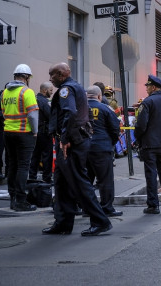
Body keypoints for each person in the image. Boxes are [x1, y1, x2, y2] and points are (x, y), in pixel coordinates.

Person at [44, 62, 112, 236]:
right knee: (61, 183)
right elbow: (86, 113)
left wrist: (66, 138)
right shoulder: (77, 88)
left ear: (61, 74)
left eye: (52, 75)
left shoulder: (67, 89)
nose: (50, 79)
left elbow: (70, 112)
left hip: (71, 143)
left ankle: (100, 220)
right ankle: (63, 223)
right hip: (73, 140)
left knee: (78, 182)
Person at [134, 75, 161, 214]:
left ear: (153, 87)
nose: (146, 89)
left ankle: (153, 205)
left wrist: (137, 138)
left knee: (151, 174)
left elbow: (141, 125)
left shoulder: (147, 102)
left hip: (150, 144)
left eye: (147, 86)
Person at [1, 64, 39, 211]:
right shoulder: (26, 92)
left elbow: (4, 113)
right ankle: (21, 201)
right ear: (27, 77)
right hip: (24, 133)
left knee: (12, 165)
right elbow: (32, 115)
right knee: (24, 166)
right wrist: (35, 131)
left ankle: (13, 198)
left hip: (8, 132)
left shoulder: (5, 92)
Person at [85, 85, 122, 217]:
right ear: (100, 96)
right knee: (105, 180)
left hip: (84, 149)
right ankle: (107, 207)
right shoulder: (105, 109)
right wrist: (110, 143)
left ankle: (87, 208)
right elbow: (115, 128)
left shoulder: (80, 108)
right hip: (102, 148)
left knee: (86, 180)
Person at [29, 81, 54, 183]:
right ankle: (47, 178)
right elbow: (50, 116)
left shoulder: (33, 99)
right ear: (45, 90)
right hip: (44, 132)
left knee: (35, 155)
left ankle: (32, 177)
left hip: (33, 132)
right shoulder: (44, 102)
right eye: (51, 90)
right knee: (47, 156)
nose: (52, 92)